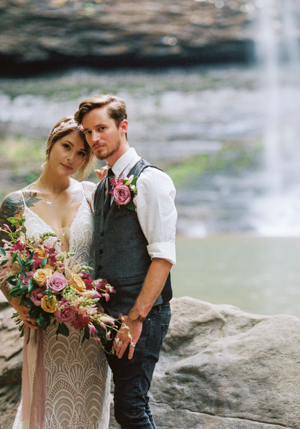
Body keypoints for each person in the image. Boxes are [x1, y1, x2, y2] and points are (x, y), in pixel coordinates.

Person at [0, 116, 112, 429]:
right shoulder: (16, 203)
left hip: (90, 328)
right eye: (66, 147)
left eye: (82, 153)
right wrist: (19, 304)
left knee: (89, 413)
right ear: (51, 145)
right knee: (45, 414)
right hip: (45, 326)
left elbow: (117, 249)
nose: (72, 158)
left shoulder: (92, 194)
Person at [74, 94, 176, 429]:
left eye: (101, 129)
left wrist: (135, 317)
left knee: (131, 407)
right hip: (110, 316)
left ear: (124, 127)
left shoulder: (150, 180)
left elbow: (162, 258)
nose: (94, 139)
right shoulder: (104, 183)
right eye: (88, 132)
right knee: (127, 406)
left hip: (140, 316)